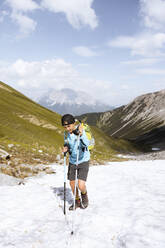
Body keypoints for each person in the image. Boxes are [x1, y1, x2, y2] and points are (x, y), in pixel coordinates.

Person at [61, 114, 90, 210]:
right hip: (73, 160)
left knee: (81, 184)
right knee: (72, 183)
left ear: (74, 124)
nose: (67, 128)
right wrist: (66, 148)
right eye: (65, 127)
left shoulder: (80, 130)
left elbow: (86, 143)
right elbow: (67, 144)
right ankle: (77, 201)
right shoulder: (66, 134)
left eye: (69, 126)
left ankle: (84, 197)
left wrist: (81, 135)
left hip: (83, 160)